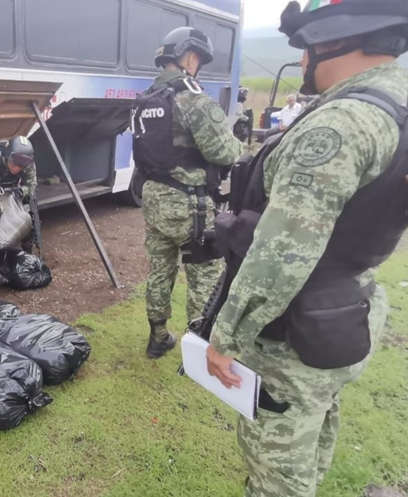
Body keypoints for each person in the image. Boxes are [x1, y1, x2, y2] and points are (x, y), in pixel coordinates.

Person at [205, 1, 408, 496]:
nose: (302, 60)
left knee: (276, 471)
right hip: (344, 310)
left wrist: (226, 339)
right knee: (312, 430)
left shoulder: (339, 125)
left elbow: (282, 254)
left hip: (297, 331)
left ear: (335, 41)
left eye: (306, 47)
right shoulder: (400, 106)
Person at [131, 26, 243, 359]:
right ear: (190, 57)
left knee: (160, 270)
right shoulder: (192, 98)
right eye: (199, 60)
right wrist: (241, 147)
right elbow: (224, 152)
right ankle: (200, 348)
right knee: (204, 273)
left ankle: (158, 337)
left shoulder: (145, 100)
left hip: (153, 199)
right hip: (188, 206)